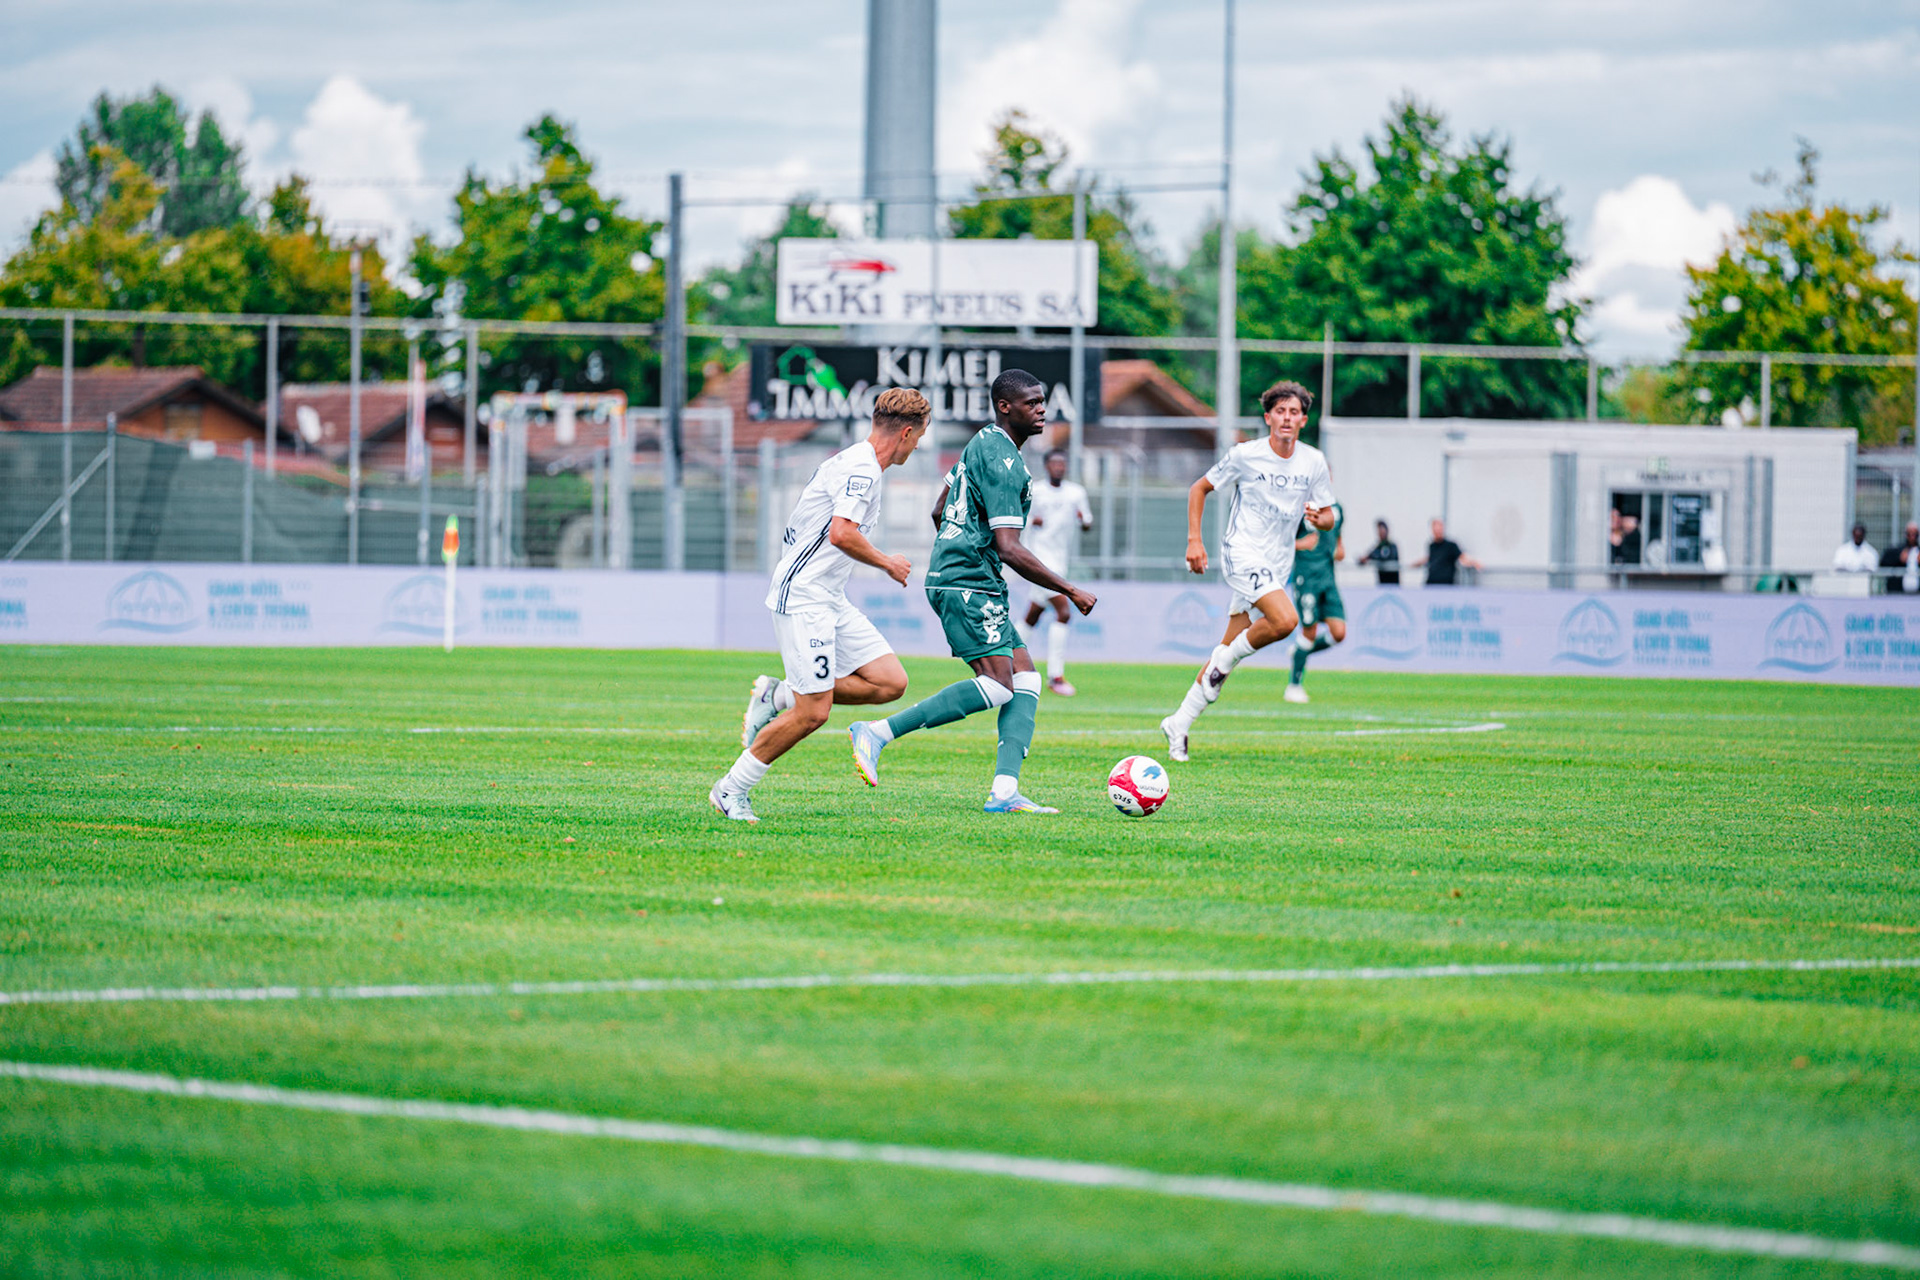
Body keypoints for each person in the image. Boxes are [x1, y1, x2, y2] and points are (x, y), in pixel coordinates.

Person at [848, 370, 1096, 814]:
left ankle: (1004, 792)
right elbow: (1010, 548)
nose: (1042, 409)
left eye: (1043, 401)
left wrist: (957, 548)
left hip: (967, 578)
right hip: (968, 585)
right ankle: (879, 731)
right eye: (1032, 402)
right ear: (1005, 407)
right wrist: (1070, 589)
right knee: (999, 686)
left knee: (1026, 680)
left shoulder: (980, 442)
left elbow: (940, 508)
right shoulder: (1005, 462)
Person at [711, 388, 931, 823]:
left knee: (889, 681)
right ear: (907, 433)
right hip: (805, 597)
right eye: (920, 437)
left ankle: (778, 693)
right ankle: (730, 790)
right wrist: (888, 562)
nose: (919, 445)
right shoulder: (863, 471)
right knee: (814, 712)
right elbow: (840, 533)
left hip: (829, 596)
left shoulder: (857, 461)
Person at [1158, 380, 1336, 763]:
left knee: (1230, 646)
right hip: (1242, 552)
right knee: (1285, 620)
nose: (1287, 418)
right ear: (1268, 417)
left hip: (1277, 563)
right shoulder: (1245, 455)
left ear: (1303, 420)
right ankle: (1225, 660)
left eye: (1294, 412)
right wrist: (1194, 540)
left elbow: (1328, 516)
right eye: (1280, 411)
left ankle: (1179, 723)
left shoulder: (1313, 462)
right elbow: (1198, 489)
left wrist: (1320, 518)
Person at [1019, 449, 1094, 695]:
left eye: (1062, 464)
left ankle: (1008, 662)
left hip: (1060, 561)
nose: (1059, 468)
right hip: (1038, 561)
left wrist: (1084, 521)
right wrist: (1033, 521)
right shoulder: (1036, 491)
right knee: (1063, 612)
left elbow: (1087, 523)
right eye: (1054, 464)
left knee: (1033, 615)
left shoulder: (1076, 493)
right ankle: (1056, 676)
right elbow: (1018, 520)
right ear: (1046, 466)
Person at [1284, 501, 1345, 705]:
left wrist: (1339, 549)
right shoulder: (1299, 508)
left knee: (1339, 632)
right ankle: (1293, 686)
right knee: (1309, 631)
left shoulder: (1336, 509)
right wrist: (1302, 544)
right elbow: (1280, 540)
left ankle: (1301, 651)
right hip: (1307, 577)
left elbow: (1338, 539)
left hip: (1328, 578)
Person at [1414, 518, 1481, 586]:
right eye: (1436, 529)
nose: (1438, 531)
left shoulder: (1451, 546)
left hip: (1446, 585)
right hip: (1431, 584)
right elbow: (1430, 558)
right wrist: (1416, 564)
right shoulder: (1431, 546)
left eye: (1440, 528)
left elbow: (1463, 557)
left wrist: (1474, 563)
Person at [1880, 522, 1919, 594]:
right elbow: (1883, 562)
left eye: (1915, 534)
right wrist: (1899, 558)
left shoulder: (1918, 551)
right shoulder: (1898, 550)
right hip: (1899, 593)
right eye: (1909, 534)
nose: (1912, 537)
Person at [1358, 519, 1399, 585]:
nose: (1381, 533)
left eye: (1382, 530)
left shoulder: (1391, 546)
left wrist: (1374, 558)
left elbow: (1387, 557)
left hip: (1393, 583)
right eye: (1379, 531)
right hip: (1382, 582)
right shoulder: (1378, 547)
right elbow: (1370, 555)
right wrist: (1365, 559)